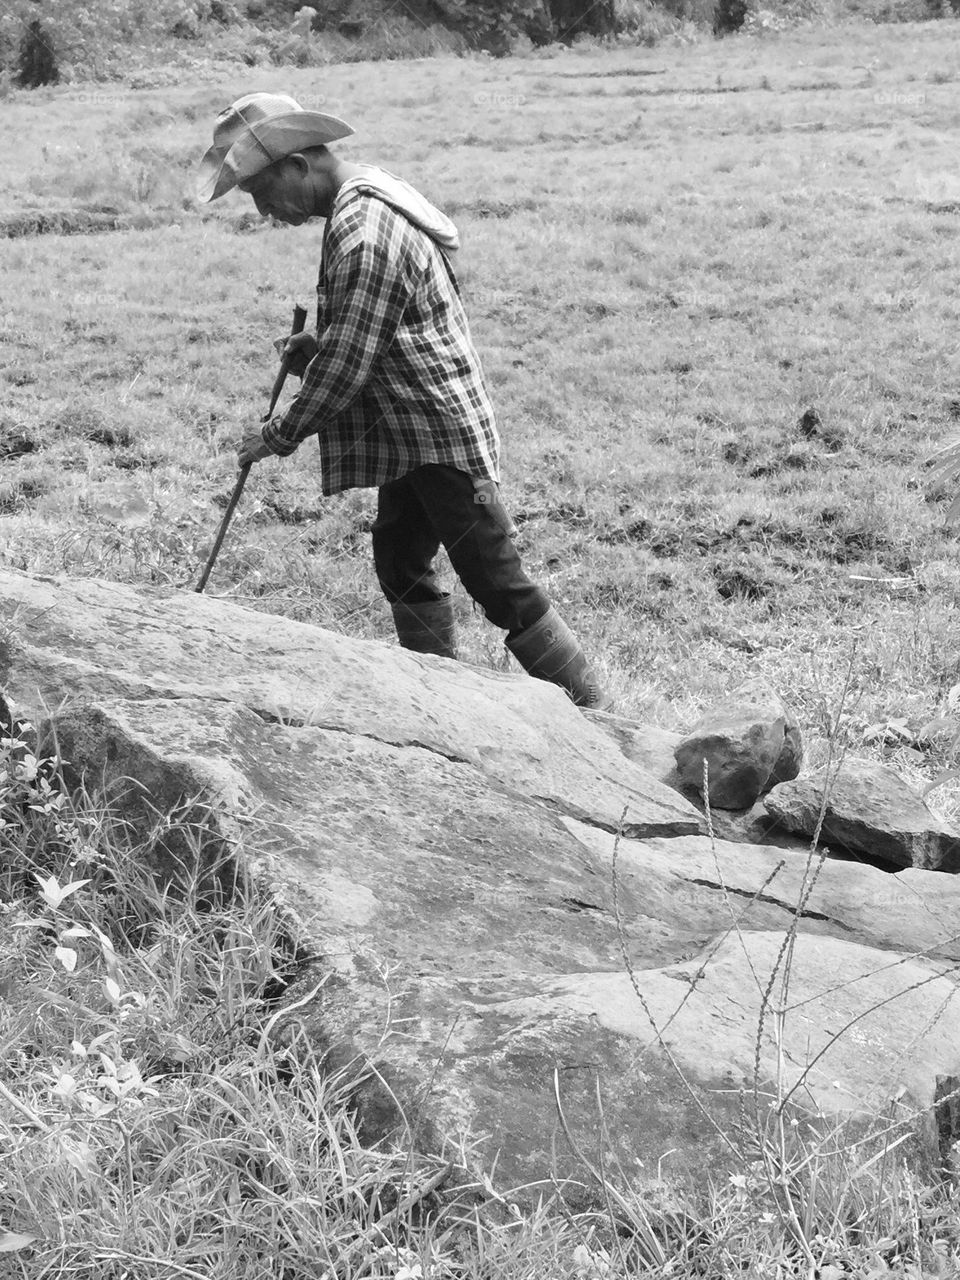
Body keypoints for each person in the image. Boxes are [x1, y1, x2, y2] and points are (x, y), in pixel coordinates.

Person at [196, 92, 606, 709]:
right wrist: (320, 343)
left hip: (436, 432)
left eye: (260, 192)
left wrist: (278, 434)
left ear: (298, 166)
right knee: (399, 558)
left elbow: (349, 364)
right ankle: (436, 698)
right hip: (406, 429)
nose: (263, 211)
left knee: (496, 579)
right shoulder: (362, 199)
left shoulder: (364, 230)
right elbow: (374, 330)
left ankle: (594, 710)